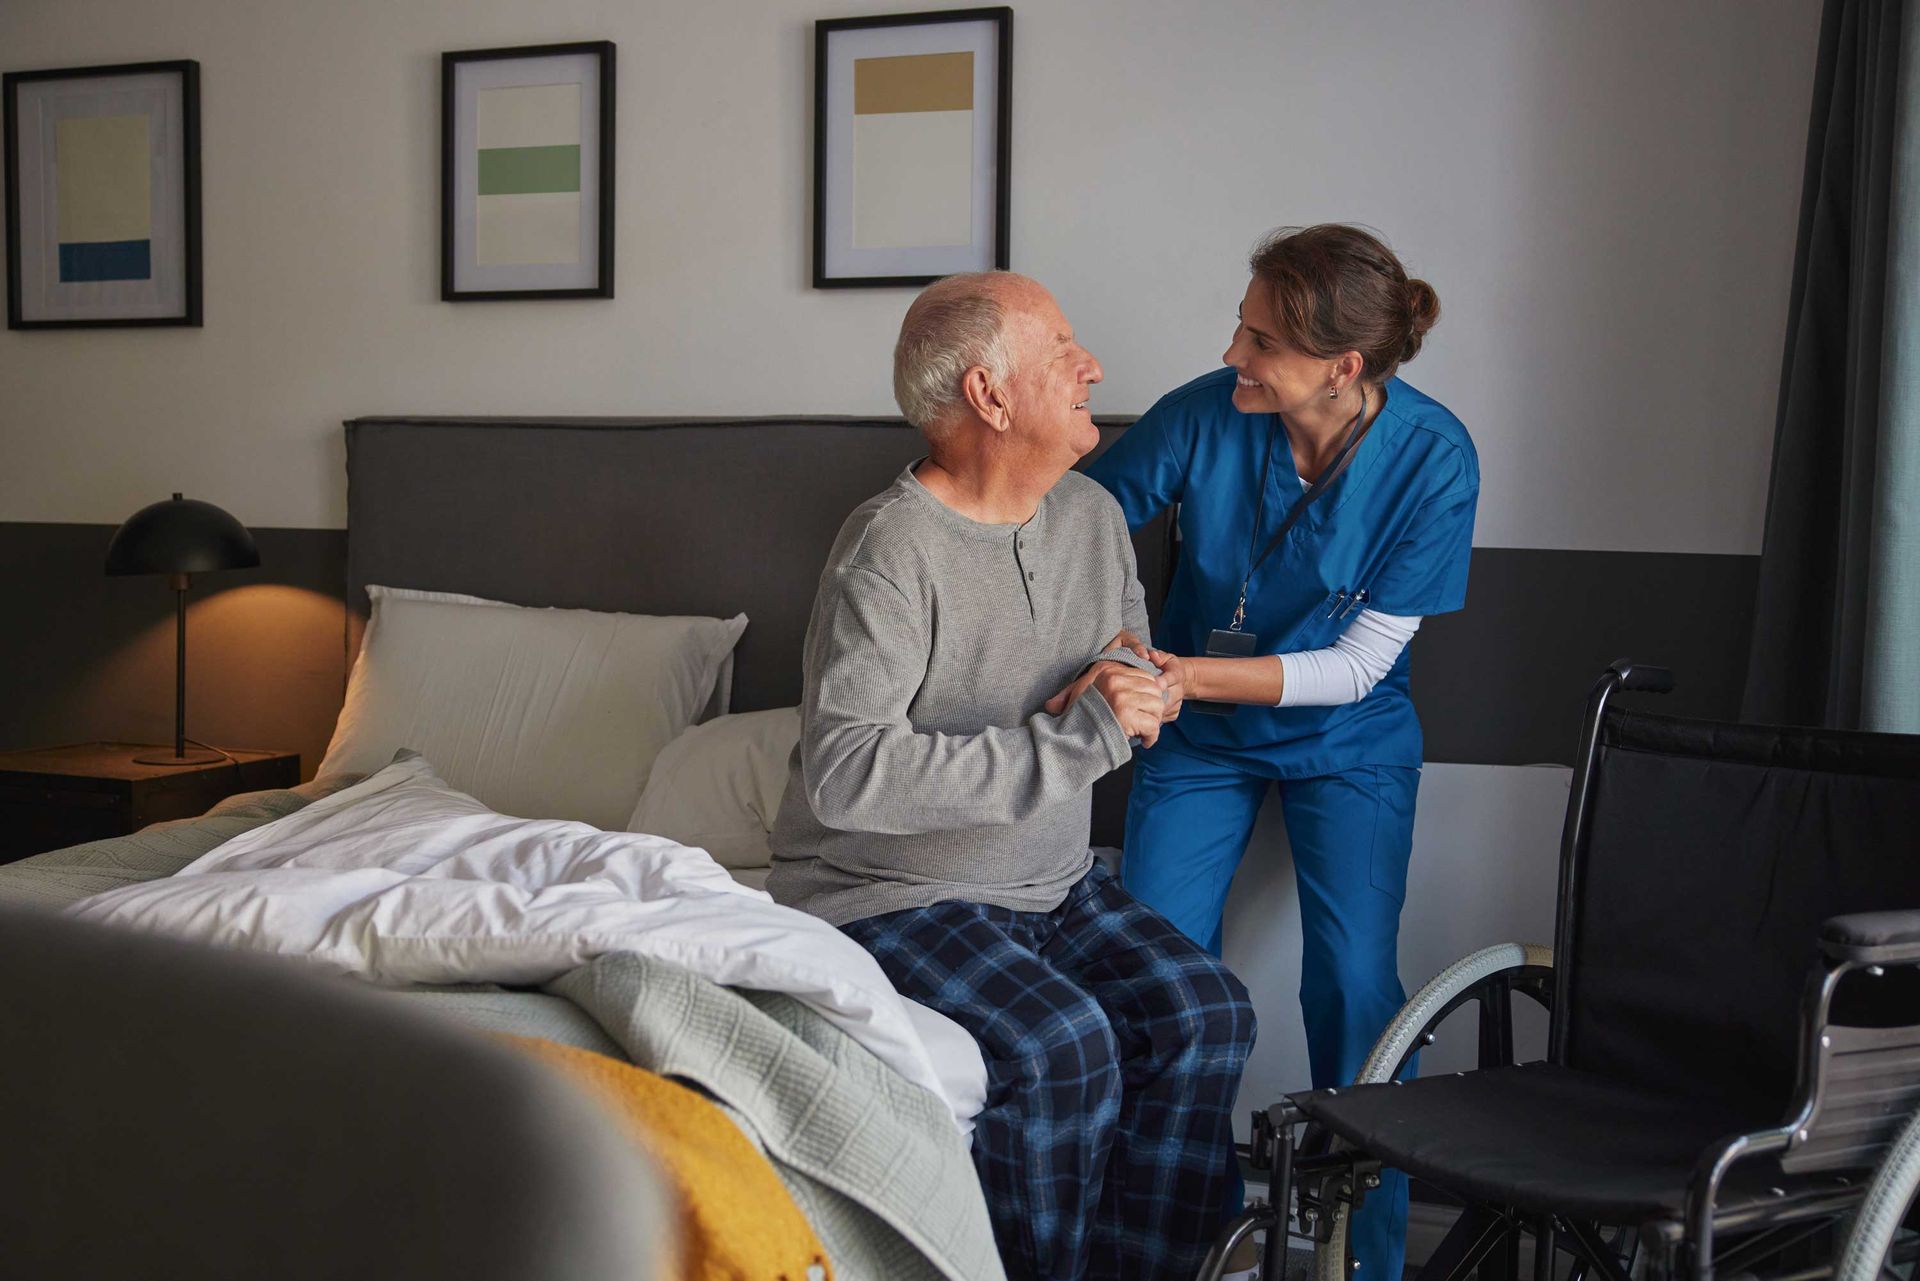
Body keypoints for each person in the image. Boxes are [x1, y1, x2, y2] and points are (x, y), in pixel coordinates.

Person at [768, 271, 1256, 1281]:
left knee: (1208, 1012)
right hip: (893, 894)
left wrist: (1139, 691)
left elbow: (1126, 658)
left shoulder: (1089, 518)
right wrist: (1077, 738)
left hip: (1049, 882)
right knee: (1061, 1044)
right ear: (990, 396)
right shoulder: (889, 551)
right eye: (1063, 350)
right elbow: (849, 775)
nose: (1094, 367)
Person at [1085, 224, 1479, 1281]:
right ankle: (1177, 1233)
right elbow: (1078, 517)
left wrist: (1180, 674)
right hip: (1199, 737)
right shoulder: (1203, 417)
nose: (1231, 355)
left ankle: (1367, 1260)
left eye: (1258, 339)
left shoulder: (1434, 461)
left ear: (1340, 368)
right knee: (1158, 971)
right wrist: (1100, 640)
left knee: (1353, 984)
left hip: (1346, 739)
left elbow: (1354, 668)